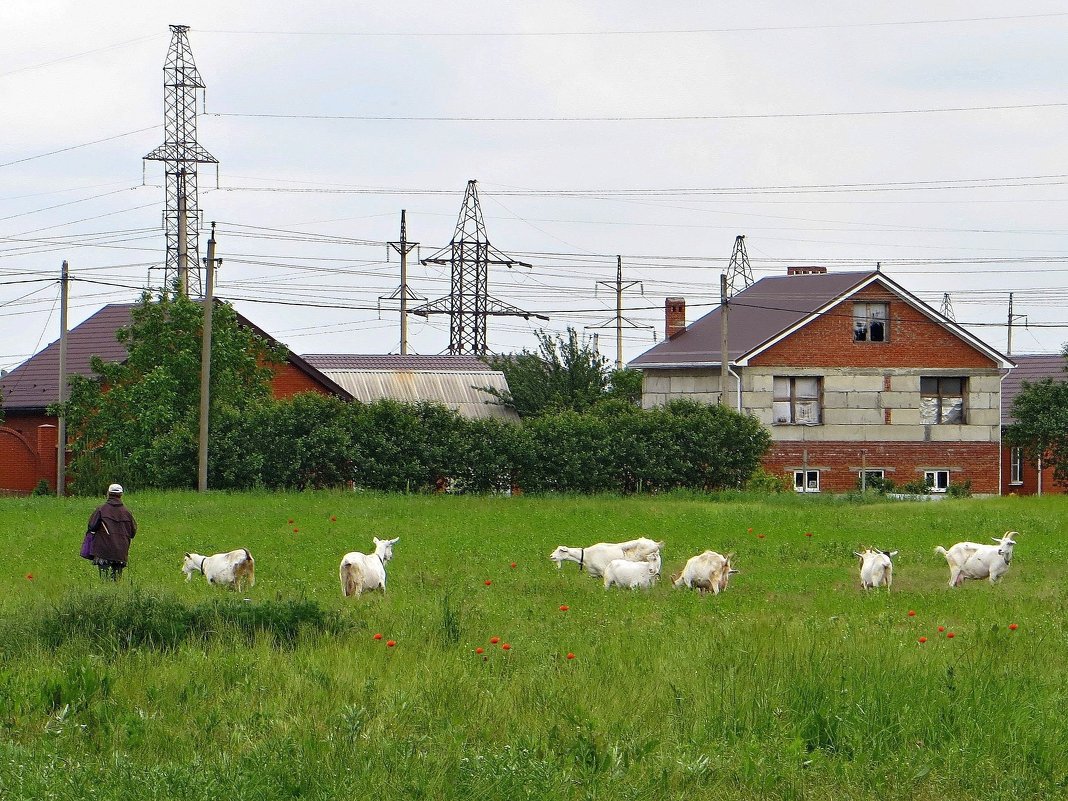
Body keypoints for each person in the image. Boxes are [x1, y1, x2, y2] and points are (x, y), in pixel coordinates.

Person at [86, 483, 137, 581]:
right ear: (121, 495)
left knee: (104, 580)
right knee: (116, 580)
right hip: (120, 551)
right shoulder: (127, 512)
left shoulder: (101, 510)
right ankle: (116, 595)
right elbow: (133, 533)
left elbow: (92, 527)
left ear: (108, 494)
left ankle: (105, 595)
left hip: (103, 551)